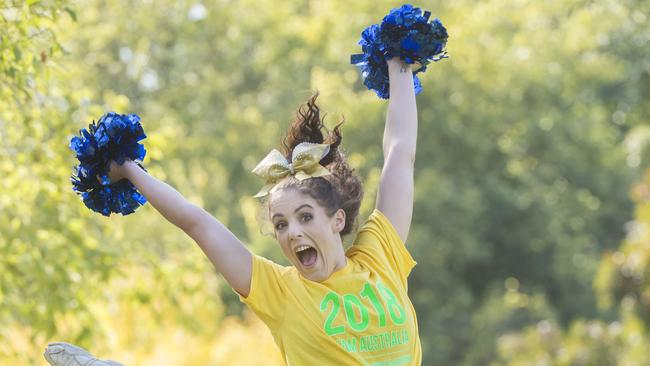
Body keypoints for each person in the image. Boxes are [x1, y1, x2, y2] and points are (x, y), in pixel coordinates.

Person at [47, 56, 421, 366]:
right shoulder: (281, 291)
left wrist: (399, 62)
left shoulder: (379, 258)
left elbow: (400, 155)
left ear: (337, 219)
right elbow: (195, 222)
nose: (292, 232)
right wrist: (127, 167)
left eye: (305, 217)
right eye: (280, 224)